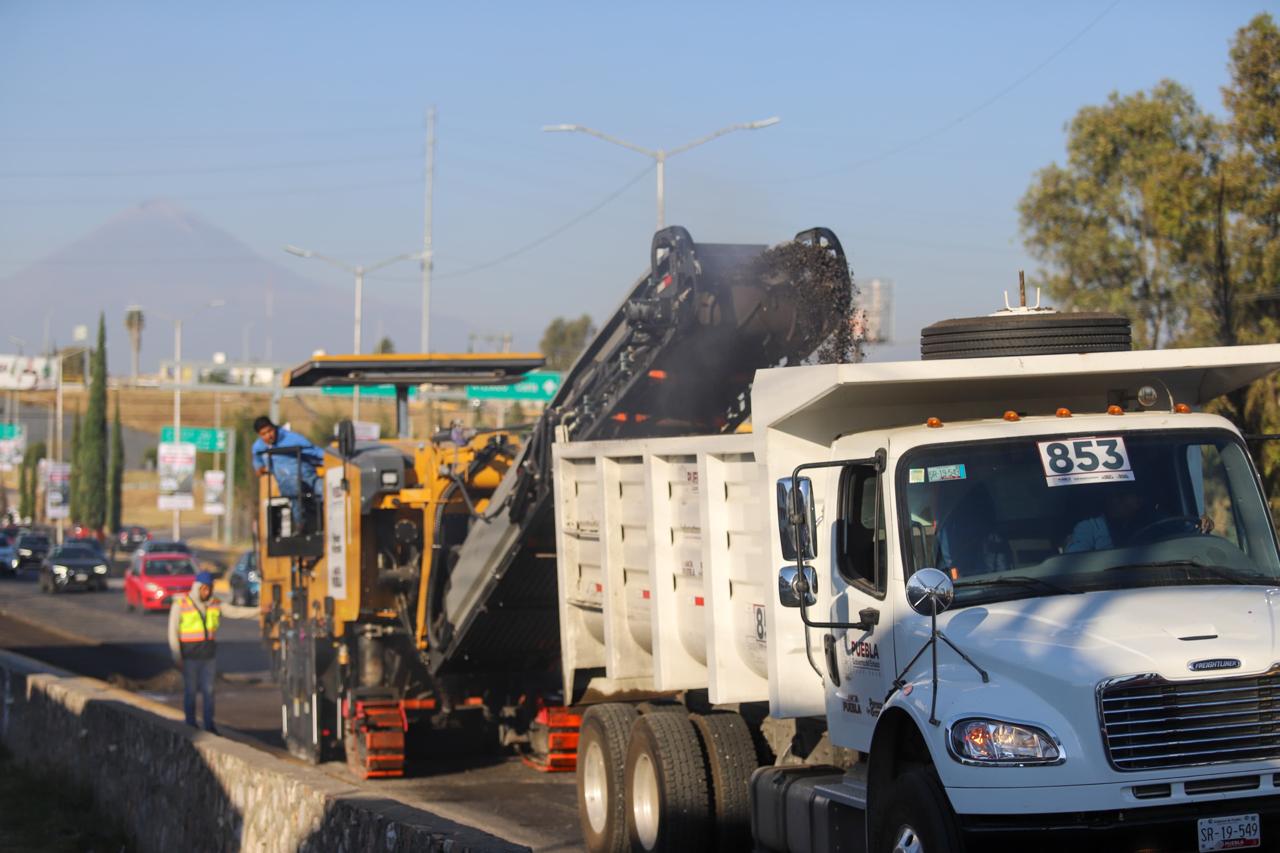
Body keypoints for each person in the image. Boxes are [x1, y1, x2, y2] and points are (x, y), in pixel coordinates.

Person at [1064, 484, 1212, 552]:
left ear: (1140, 500)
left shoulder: (1158, 522)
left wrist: (1204, 525)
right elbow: (1074, 562)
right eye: (1112, 495)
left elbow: (1188, 535)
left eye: (1122, 495)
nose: (1115, 501)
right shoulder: (1090, 528)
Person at [168, 570, 221, 733]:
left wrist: (258, 611)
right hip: (190, 656)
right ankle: (190, 722)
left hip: (208, 656)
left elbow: (235, 611)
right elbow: (172, 631)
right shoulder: (181, 604)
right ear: (198, 588)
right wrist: (176, 655)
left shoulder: (214, 603)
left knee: (209, 691)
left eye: (210, 588)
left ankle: (209, 724)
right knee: (191, 691)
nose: (207, 592)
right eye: (205, 588)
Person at [252, 416, 325, 531]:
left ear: (274, 428)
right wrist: (262, 469)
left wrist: (330, 459)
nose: (268, 436)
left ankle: (327, 525)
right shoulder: (258, 448)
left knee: (325, 489)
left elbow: (315, 452)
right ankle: (301, 526)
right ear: (260, 435)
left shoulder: (292, 439)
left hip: (309, 478)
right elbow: (258, 465)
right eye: (264, 434)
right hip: (288, 483)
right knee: (294, 489)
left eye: (270, 431)